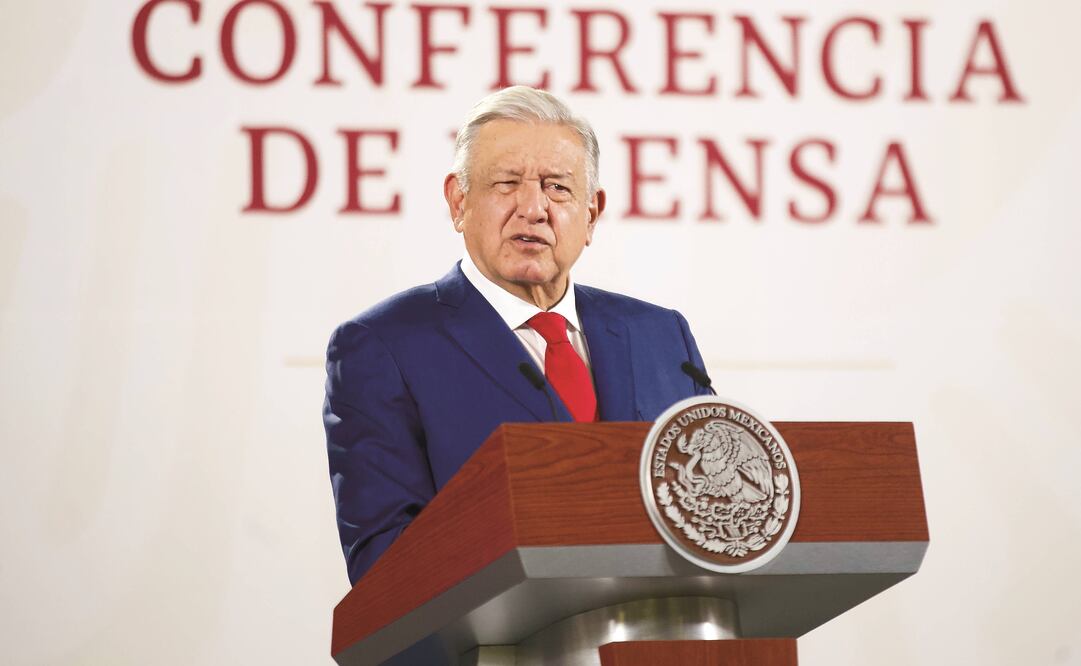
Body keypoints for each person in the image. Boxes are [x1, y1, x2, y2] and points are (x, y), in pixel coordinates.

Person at [323, 86, 711, 586]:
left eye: (558, 188)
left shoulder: (662, 336)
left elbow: (713, 510)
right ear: (458, 202)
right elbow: (386, 566)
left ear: (591, 214)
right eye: (507, 184)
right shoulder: (383, 346)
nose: (534, 208)